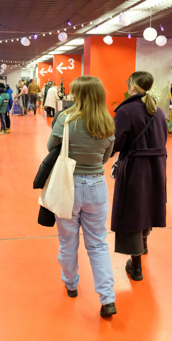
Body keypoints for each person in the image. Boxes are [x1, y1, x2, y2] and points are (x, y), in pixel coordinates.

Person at [46, 76, 117, 318]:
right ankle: (107, 297)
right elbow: (106, 157)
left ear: (80, 95)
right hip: (97, 185)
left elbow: (50, 147)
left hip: (69, 186)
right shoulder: (108, 122)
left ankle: (71, 284)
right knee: (98, 243)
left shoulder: (66, 120)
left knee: (68, 241)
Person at [111, 71, 167, 282]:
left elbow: (116, 143)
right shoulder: (158, 111)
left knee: (133, 211)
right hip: (157, 167)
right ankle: (143, 246)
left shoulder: (126, 111)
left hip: (135, 167)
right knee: (148, 207)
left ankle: (136, 266)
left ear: (132, 86)